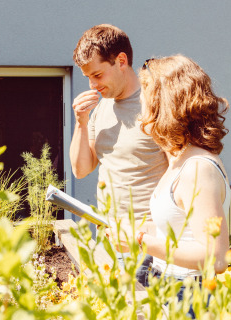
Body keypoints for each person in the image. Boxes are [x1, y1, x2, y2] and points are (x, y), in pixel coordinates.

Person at [107, 55, 231, 318]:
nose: (141, 115)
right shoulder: (179, 160)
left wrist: (140, 242)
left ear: (163, 106)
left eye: (144, 104)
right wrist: (138, 230)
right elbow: (179, 229)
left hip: (189, 296)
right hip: (168, 287)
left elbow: (215, 257)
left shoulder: (198, 168)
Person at [70, 24, 168, 283]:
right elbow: (81, 169)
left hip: (150, 245)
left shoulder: (156, 105)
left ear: (121, 61)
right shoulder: (100, 108)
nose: (93, 85)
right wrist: (81, 121)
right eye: (88, 78)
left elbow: (182, 172)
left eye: (98, 75)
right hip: (109, 241)